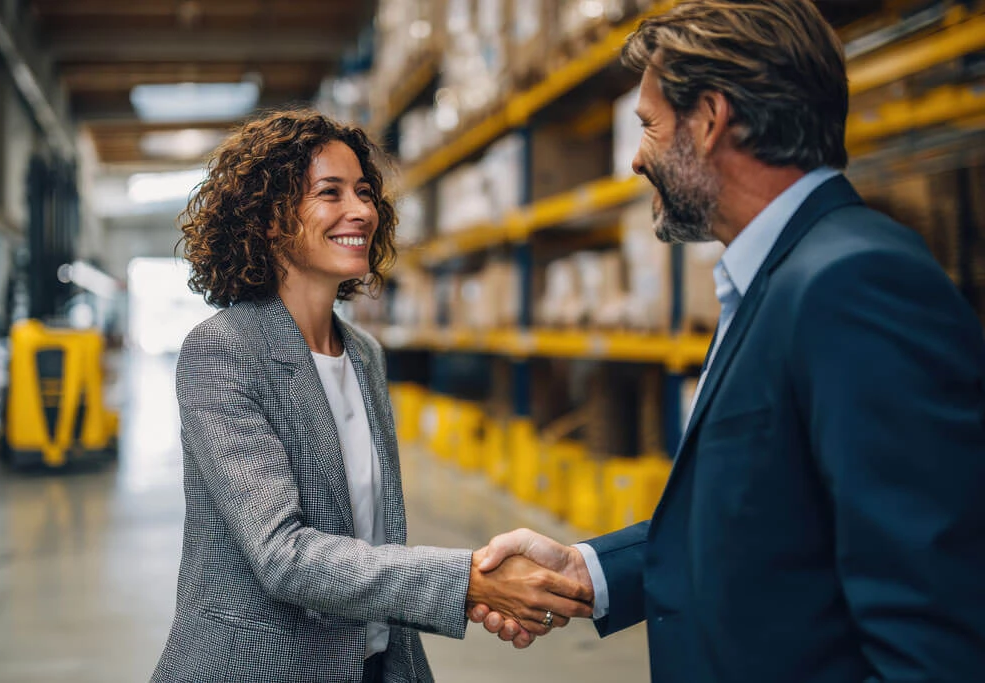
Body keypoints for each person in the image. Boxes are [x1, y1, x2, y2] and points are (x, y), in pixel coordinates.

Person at [470, 0, 985, 680]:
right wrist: (589, 571)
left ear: (710, 121)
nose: (635, 159)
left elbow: (931, 637)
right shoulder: (777, 278)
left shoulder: (857, 284)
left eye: (650, 127)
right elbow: (769, 519)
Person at [150, 110, 593, 683]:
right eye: (329, 193)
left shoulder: (363, 353)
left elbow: (378, 537)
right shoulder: (224, 349)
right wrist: (470, 581)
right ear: (267, 220)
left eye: (364, 192)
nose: (360, 210)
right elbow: (282, 555)